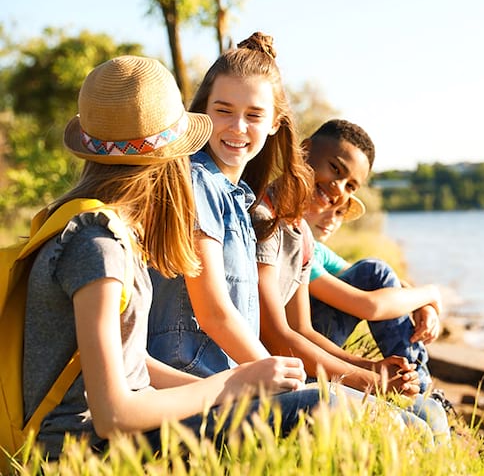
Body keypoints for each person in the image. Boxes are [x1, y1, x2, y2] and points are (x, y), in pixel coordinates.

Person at [23, 55, 322, 459]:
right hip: (82, 455)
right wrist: (231, 385)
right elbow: (113, 414)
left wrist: (241, 386)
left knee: (331, 406)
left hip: (113, 439)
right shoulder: (98, 247)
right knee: (324, 407)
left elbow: (136, 365)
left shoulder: (112, 236)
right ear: (167, 158)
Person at [146, 32, 313, 379]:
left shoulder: (237, 199)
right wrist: (277, 375)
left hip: (230, 377)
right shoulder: (196, 180)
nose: (238, 127)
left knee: (417, 413)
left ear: (273, 124)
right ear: (203, 111)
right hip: (192, 379)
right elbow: (213, 313)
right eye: (223, 111)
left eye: (254, 115)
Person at [253, 120, 423, 397]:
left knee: (427, 416)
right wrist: (371, 381)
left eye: (351, 186)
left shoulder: (302, 234)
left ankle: (418, 382)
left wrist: (372, 367)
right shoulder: (263, 219)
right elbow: (275, 336)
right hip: (259, 373)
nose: (338, 189)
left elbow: (302, 329)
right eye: (335, 169)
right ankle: (421, 386)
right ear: (304, 151)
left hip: (290, 362)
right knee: (420, 422)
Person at [305, 195, 451, 443]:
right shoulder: (297, 249)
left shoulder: (318, 250)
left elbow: (383, 282)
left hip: (315, 341)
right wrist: (431, 293)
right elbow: (370, 303)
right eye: (330, 204)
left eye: (340, 213)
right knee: (375, 270)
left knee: (377, 271)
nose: (332, 219)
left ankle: (415, 383)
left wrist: (424, 304)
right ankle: (418, 384)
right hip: (304, 347)